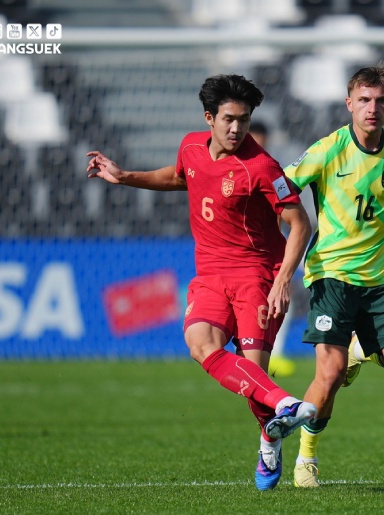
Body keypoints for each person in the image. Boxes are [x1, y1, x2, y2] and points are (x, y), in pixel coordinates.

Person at [86, 74, 316, 491]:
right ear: (209, 118)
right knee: (200, 344)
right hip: (210, 275)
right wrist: (125, 176)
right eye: (229, 119)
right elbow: (179, 178)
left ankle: (269, 438)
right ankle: (286, 405)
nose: (237, 129)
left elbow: (300, 223)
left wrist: (283, 280)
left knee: (252, 378)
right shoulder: (191, 146)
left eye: (244, 120)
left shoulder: (262, 166)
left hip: (256, 276)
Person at [283, 64, 384, 488]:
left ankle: (359, 349)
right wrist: (290, 222)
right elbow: (279, 186)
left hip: (381, 280)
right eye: (364, 100)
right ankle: (306, 459)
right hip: (331, 277)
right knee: (329, 376)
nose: (373, 108)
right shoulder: (328, 150)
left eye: (381, 100)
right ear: (349, 103)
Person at [248, 120, 297, 379]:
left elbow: (286, 210)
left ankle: (273, 354)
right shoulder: (231, 169)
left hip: (272, 246)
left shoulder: (272, 170)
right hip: (243, 250)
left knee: (281, 298)